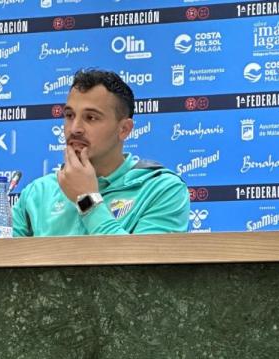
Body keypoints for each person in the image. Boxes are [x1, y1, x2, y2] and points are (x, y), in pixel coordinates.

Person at [12, 69, 189, 236]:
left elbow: (142, 266)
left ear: (124, 129)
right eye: (69, 116)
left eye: (91, 117)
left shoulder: (162, 190)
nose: (75, 129)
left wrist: (87, 199)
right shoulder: (36, 193)